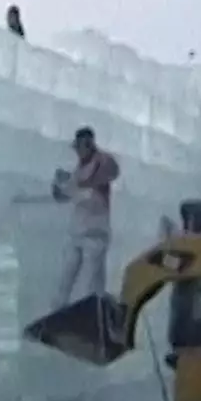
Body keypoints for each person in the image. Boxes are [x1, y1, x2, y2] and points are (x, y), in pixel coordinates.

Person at [51, 127, 120, 309]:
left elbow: (111, 172)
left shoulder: (101, 162)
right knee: (67, 274)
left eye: (80, 147)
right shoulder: (78, 170)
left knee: (91, 279)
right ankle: (59, 308)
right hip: (78, 233)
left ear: (88, 145)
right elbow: (65, 195)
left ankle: (91, 310)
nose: (78, 152)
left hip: (95, 233)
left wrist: (74, 187)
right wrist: (59, 186)